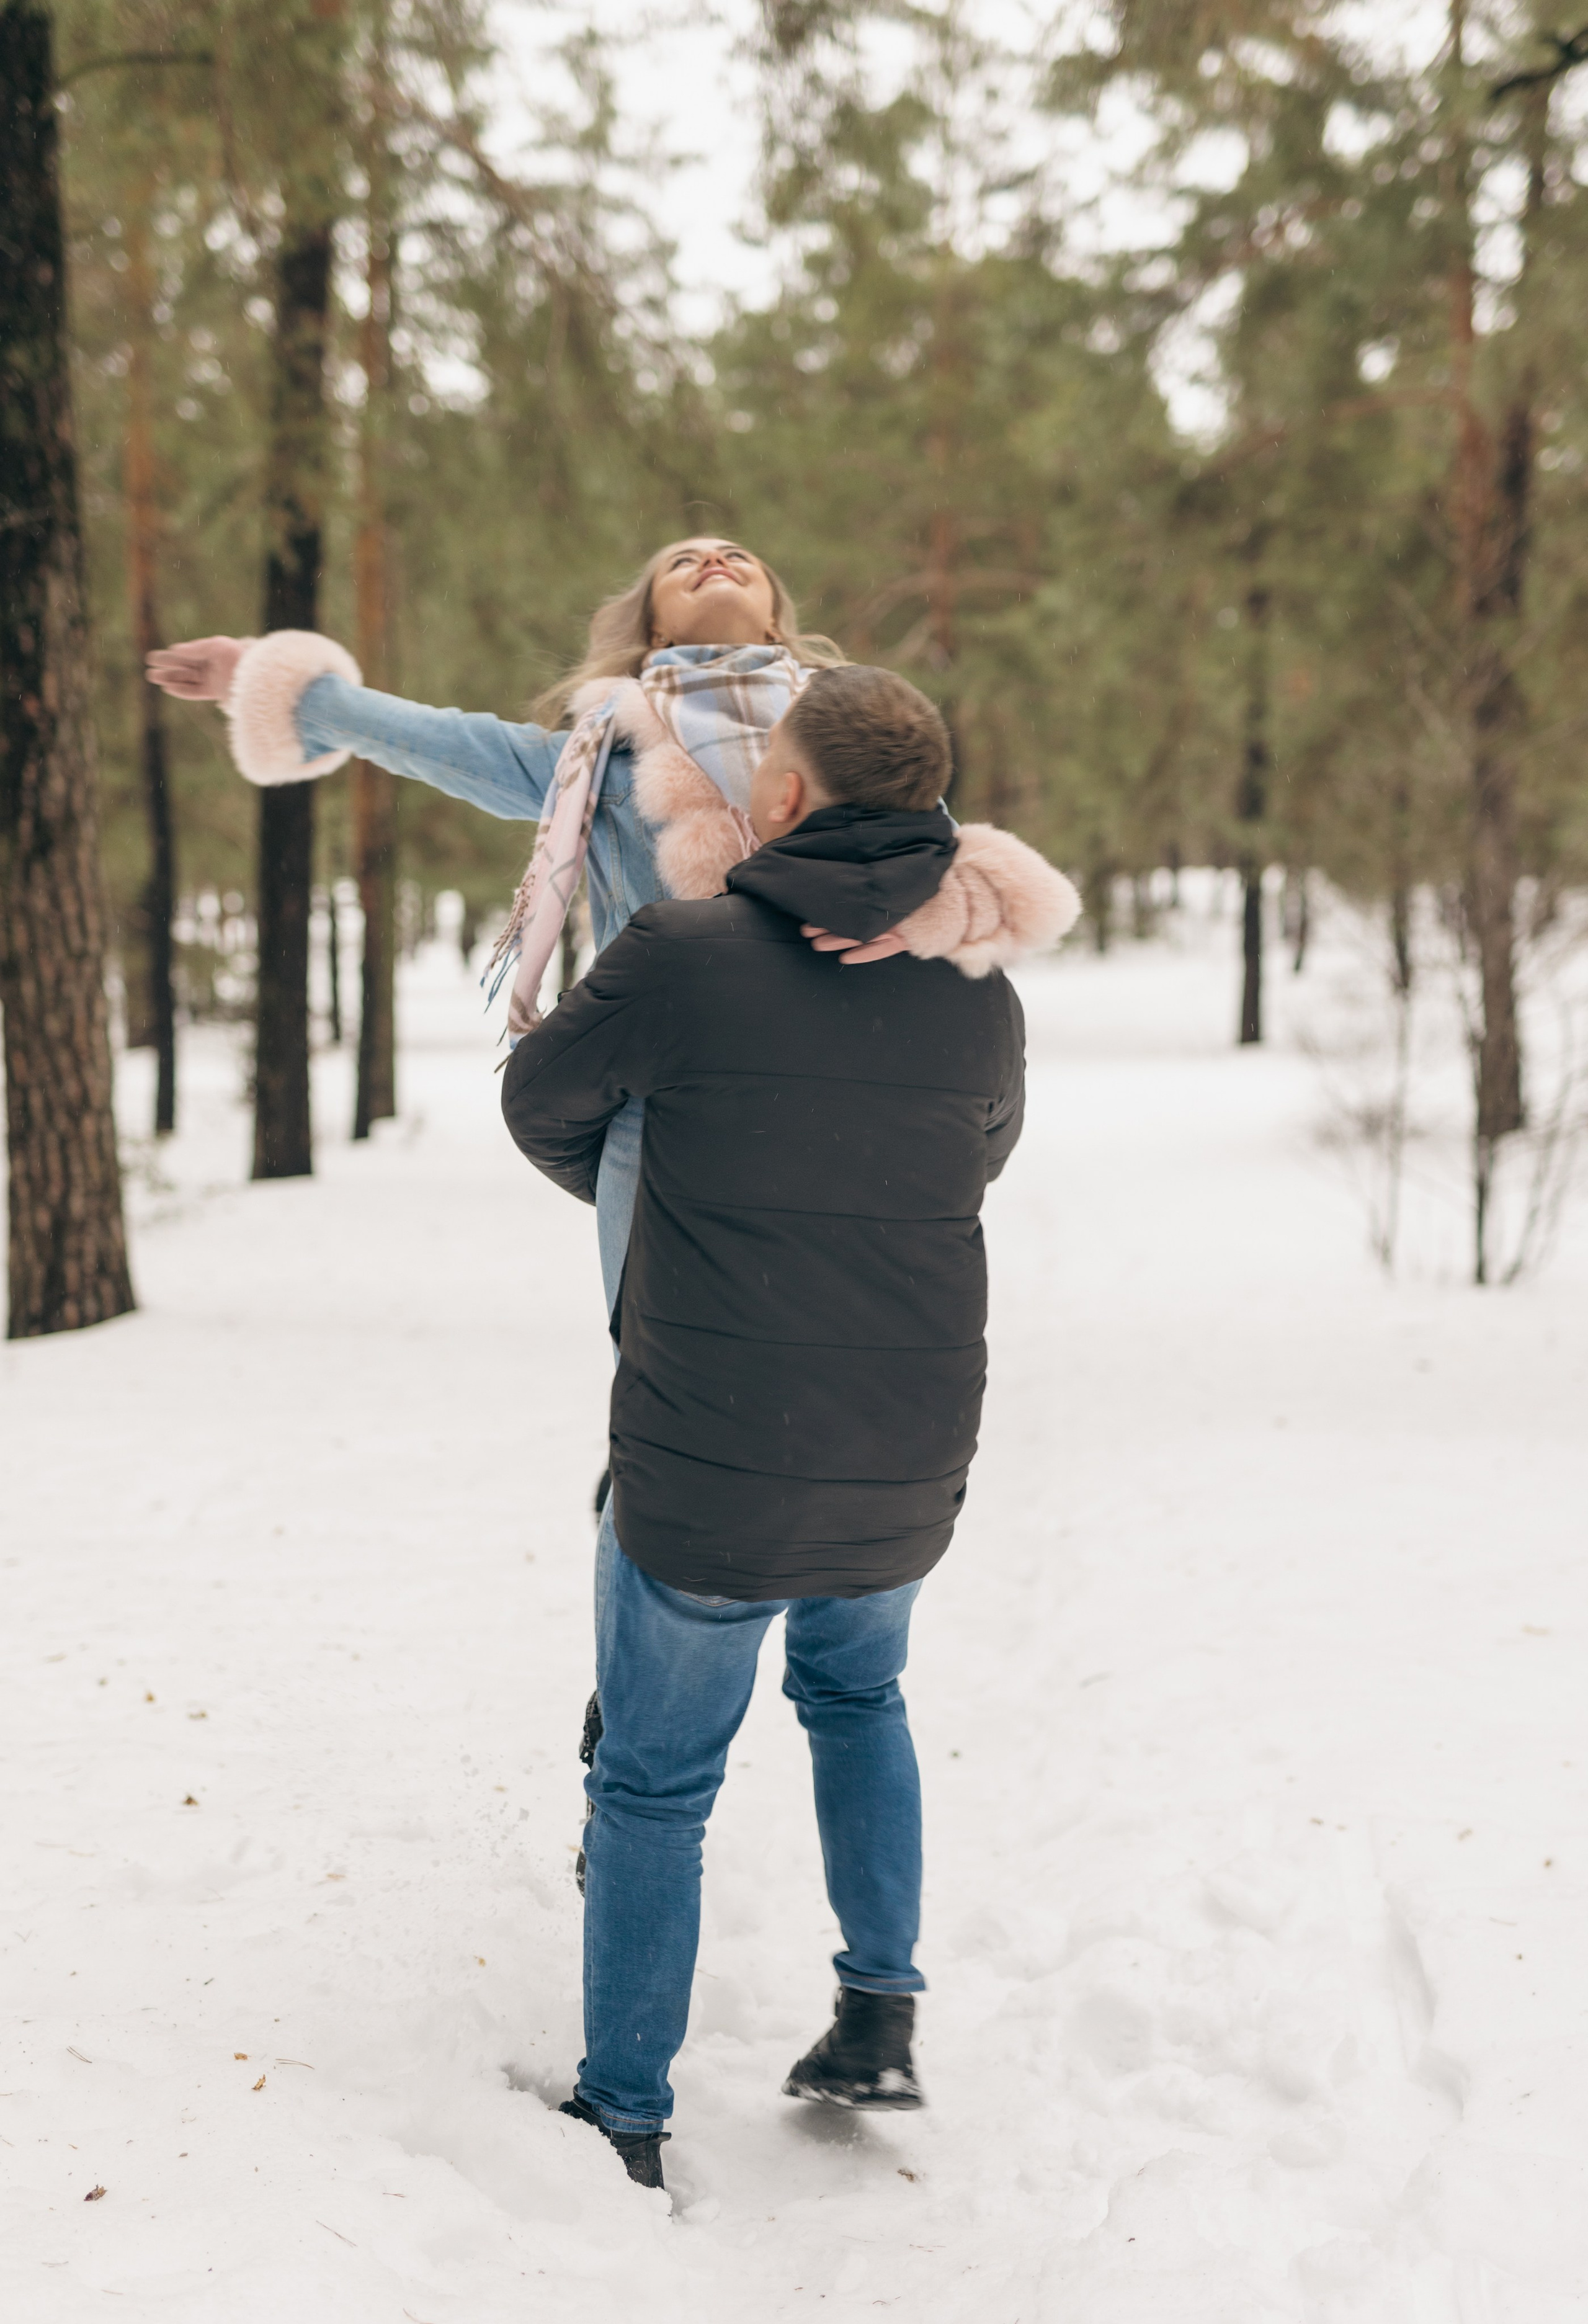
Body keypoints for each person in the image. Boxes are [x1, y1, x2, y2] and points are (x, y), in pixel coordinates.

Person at [500, 664, 1078, 2193]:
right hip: (904, 1448)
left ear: (782, 799)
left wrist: (660, 1198)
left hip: (710, 1451)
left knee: (652, 1780)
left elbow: (539, 1101)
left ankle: (622, 2110)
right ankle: (878, 2014)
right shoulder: (981, 990)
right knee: (856, 1692)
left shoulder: (678, 952)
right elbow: (981, 1153)